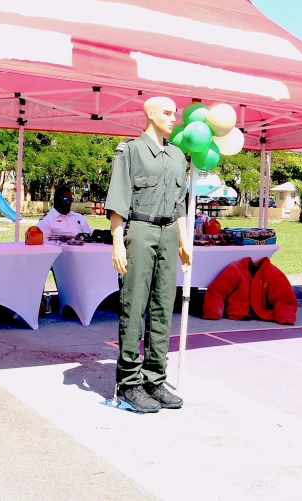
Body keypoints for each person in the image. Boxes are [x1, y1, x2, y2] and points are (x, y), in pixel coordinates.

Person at [106, 96, 192, 414]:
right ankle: (129, 383)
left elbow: (179, 203)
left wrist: (183, 241)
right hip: (140, 230)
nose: (173, 118)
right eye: (167, 113)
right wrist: (118, 242)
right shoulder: (129, 150)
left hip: (170, 232)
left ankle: (155, 378)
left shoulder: (176, 154)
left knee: (162, 306)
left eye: (174, 113)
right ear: (150, 114)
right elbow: (118, 199)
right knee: (134, 305)